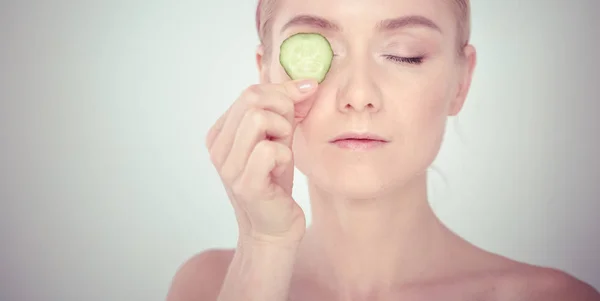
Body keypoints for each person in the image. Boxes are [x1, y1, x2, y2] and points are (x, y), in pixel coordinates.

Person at [166, 0, 600, 300]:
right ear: (265, 74)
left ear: (461, 82)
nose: (358, 94)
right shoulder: (207, 288)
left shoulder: (558, 298)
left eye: (404, 55)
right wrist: (264, 246)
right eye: (316, 49)